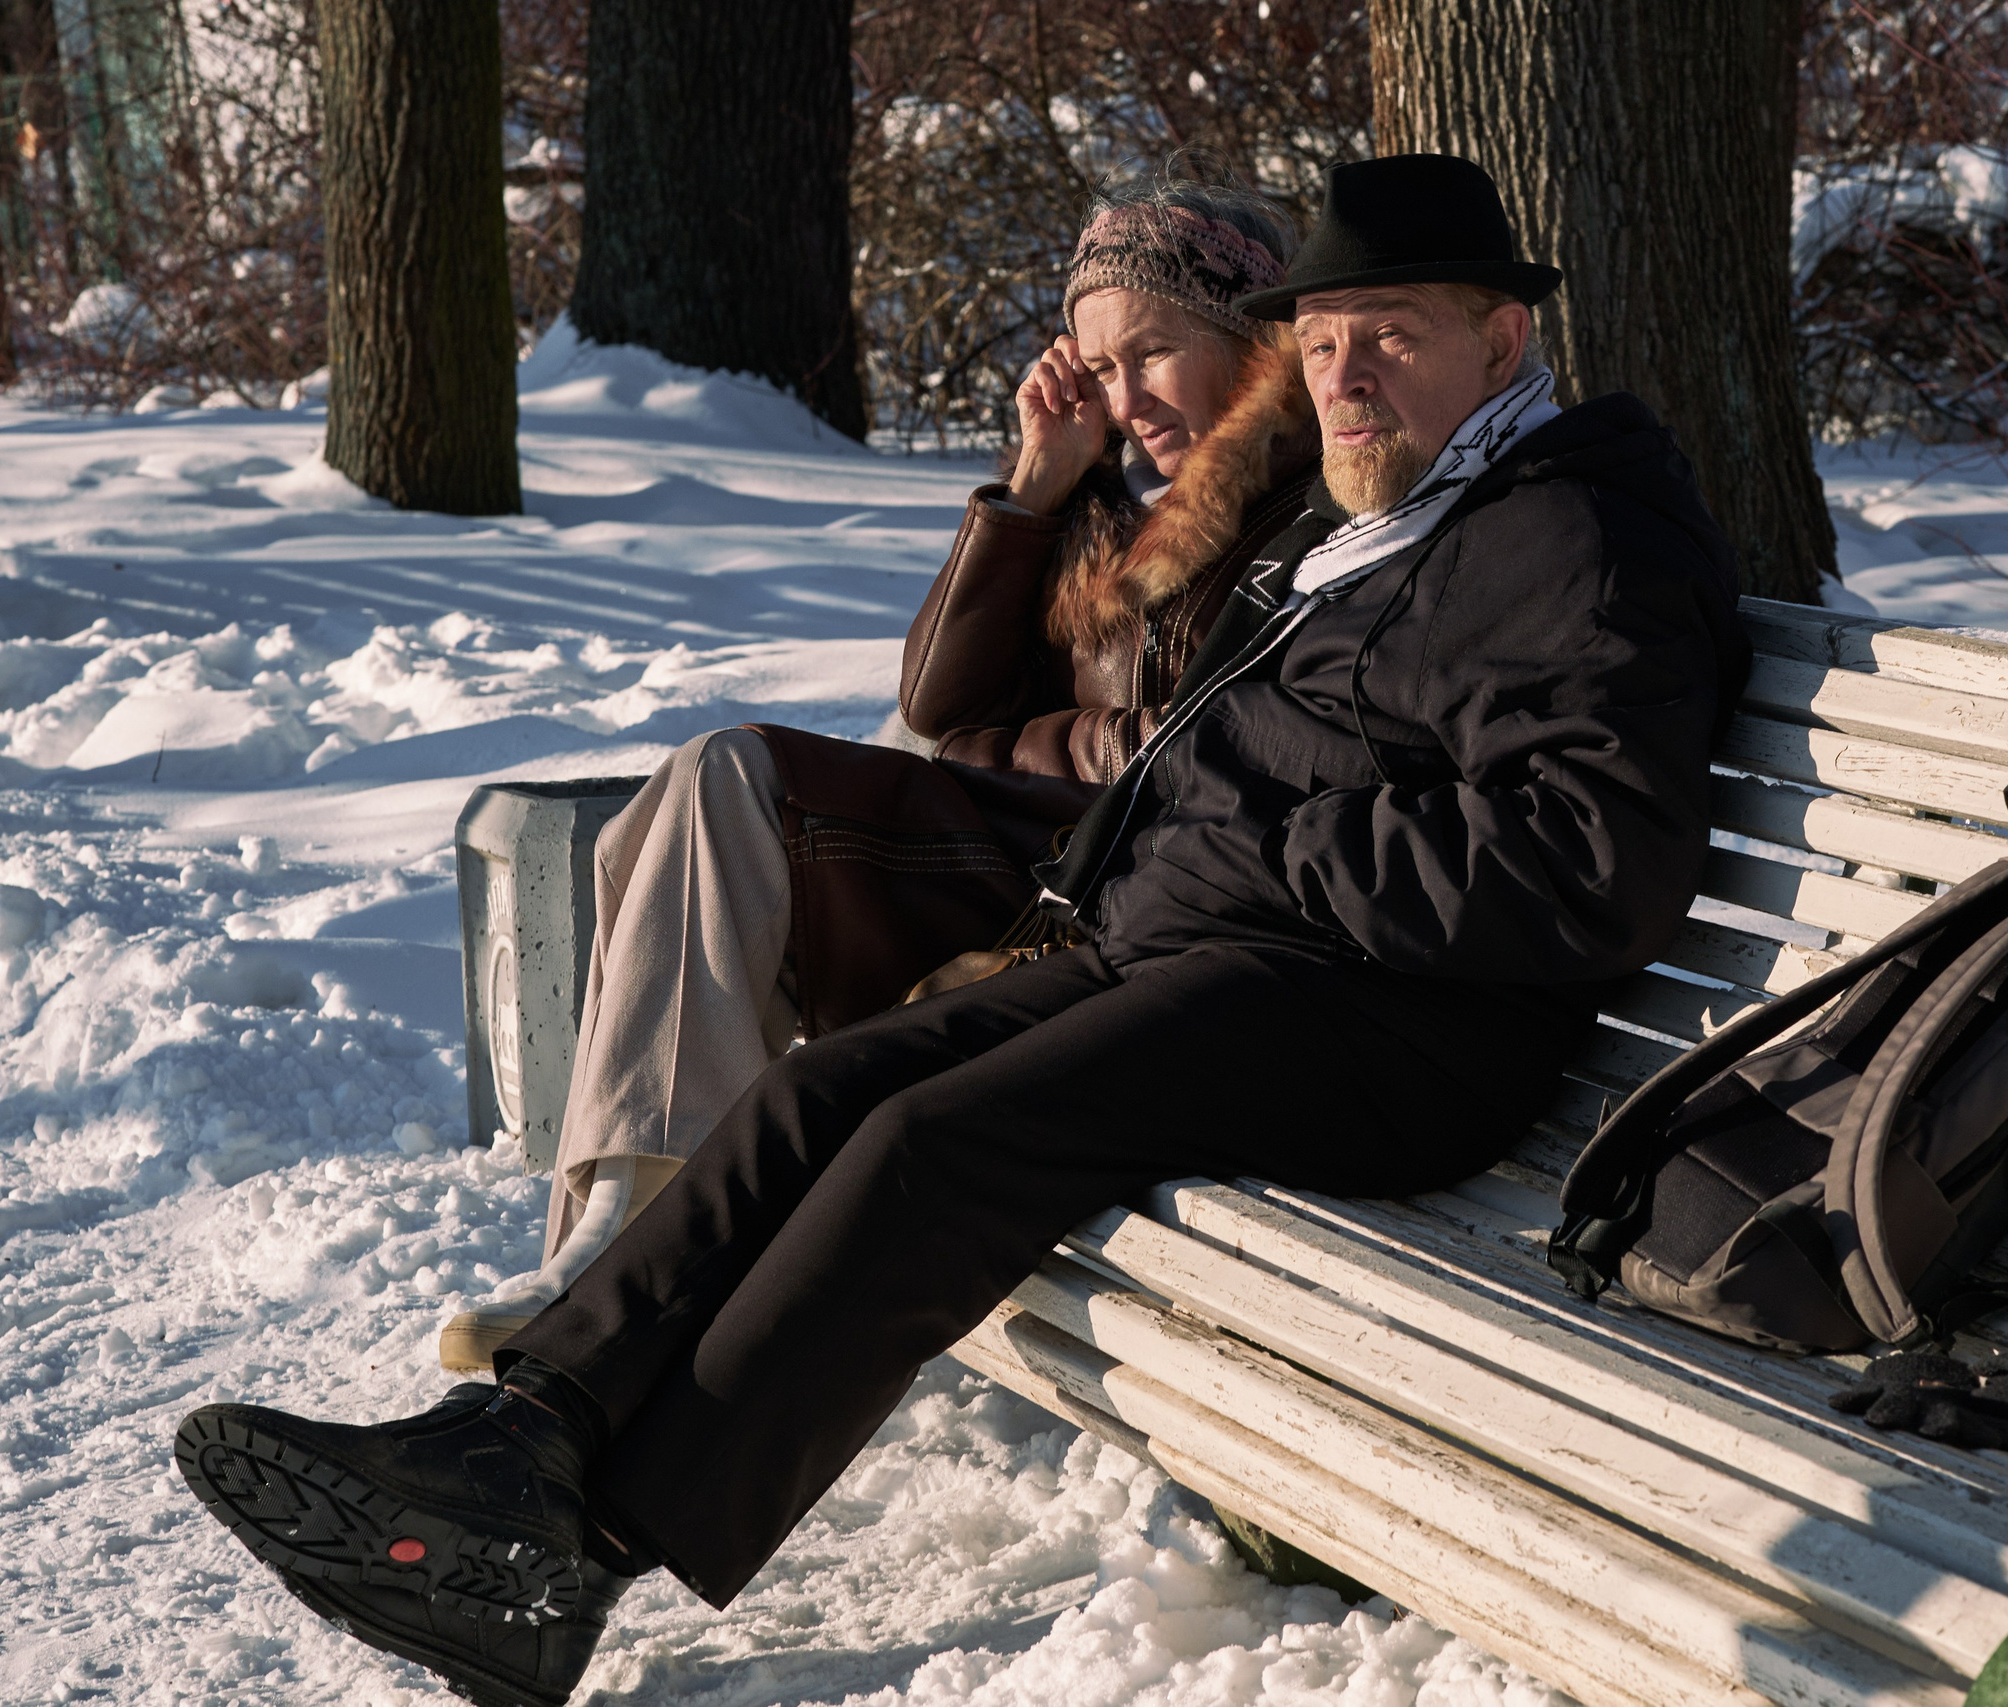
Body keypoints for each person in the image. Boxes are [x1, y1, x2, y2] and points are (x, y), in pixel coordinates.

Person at [174, 153, 1754, 1707]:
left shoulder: (1574, 537)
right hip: (1229, 957)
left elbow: (1581, 868)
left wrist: (1273, 845)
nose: (1346, 374)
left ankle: (565, 1554)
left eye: (1392, 332)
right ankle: (509, 1440)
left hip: (1406, 1024)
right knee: (822, 1089)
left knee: (940, 1147)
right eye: (1327, 337)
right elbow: (1056, 720)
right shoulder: (1388, 522)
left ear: (1505, 340)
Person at [439, 178, 1318, 1372]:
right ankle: (614, 1235)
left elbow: (1201, 743)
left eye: (1153, 353)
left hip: (1116, 908)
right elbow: (939, 707)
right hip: (1030, 864)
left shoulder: (1305, 511)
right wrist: (1033, 489)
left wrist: (1021, 748)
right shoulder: (1100, 507)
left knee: (723, 790)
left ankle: (618, 1266)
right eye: (1099, 368)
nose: (1125, 398)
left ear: (1247, 331)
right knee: (682, 809)